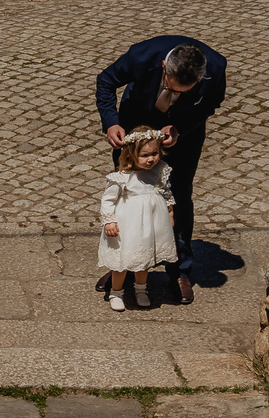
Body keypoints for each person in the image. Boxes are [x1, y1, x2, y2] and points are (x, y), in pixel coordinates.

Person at [95, 36, 226, 304]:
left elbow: (210, 104)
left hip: (182, 133)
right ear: (164, 67)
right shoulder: (141, 55)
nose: (174, 95)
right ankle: (124, 265)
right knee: (128, 193)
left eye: (184, 92)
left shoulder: (216, 67)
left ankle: (180, 271)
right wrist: (111, 122)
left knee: (178, 195)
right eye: (170, 87)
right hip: (135, 125)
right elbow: (105, 81)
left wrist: (181, 128)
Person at [99, 127, 176, 311]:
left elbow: (165, 191)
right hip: (128, 225)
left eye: (154, 154)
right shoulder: (122, 177)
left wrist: (170, 212)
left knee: (144, 259)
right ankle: (116, 292)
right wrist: (109, 221)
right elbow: (108, 200)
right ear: (131, 155)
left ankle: (141, 289)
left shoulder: (159, 170)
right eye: (144, 155)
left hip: (150, 223)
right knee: (122, 261)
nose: (151, 159)